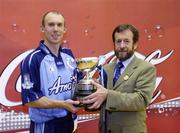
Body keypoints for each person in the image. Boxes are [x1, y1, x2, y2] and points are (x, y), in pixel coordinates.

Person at [82, 24, 156, 133]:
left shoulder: (146, 68)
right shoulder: (106, 69)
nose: (121, 46)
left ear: (135, 44)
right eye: (118, 41)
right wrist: (88, 97)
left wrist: (107, 95)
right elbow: (102, 100)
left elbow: (141, 100)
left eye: (126, 41)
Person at [20, 10, 80, 133]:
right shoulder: (33, 59)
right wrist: (62, 104)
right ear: (42, 28)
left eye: (59, 25)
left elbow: (76, 86)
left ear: (64, 29)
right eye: (51, 24)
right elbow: (31, 100)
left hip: (69, 122)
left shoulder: (68, 55)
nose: (55, 29)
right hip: (45, 126)